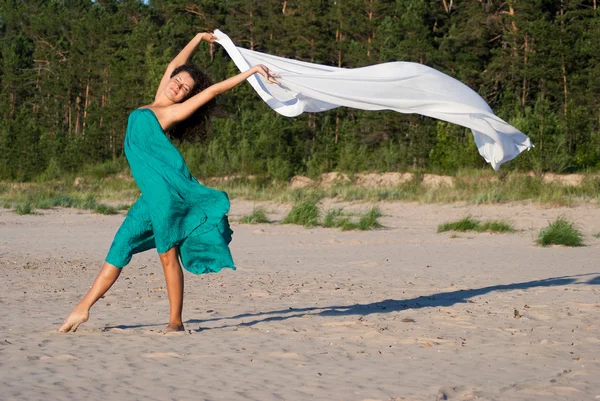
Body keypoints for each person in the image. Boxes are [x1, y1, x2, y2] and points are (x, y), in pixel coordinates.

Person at [59, 32, 279, 333]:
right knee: (120, 247)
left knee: (167, 255)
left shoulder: (170, 112)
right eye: (178, 81)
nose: (178, 87)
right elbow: (176, 63)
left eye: (185, 89)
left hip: (164, 193)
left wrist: (250, 72)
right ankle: (82, 309)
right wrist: (198, 39)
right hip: (149, 196)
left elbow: (211, 91)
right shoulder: (154, 102)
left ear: (185, 97)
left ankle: (175, 321)